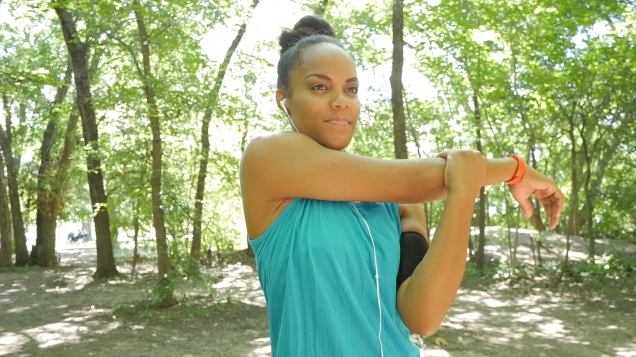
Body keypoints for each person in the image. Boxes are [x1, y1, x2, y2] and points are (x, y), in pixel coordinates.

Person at [239, 15, 563, 357]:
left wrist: (464, 190)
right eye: (319, 86)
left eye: (351, 89)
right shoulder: (267, 157)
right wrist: (516, 171)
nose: (341, 101)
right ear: (284, 100)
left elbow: (423, 318)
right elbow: (418, 179)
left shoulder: (396, 203)